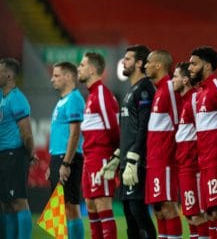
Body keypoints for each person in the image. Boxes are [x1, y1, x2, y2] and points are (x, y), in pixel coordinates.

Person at [99, 44, 157, 238]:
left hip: (136, 162)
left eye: (128, 59)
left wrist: (133, 157)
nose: (124, 62)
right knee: (129, 214)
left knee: (137, 211)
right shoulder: (131, 90)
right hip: (126, 161)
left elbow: (144, 126)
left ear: (140, 63)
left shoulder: (145, 89)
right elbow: (129, 129)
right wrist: (118, 155)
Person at [188, 46, 217, 238]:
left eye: (193, 63)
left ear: (206, 66)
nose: (189, 68)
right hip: (204, 162)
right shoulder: (200, 93)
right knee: (209, 213)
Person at [77, 52, 120, 239]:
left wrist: (115, 155)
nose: (79, 68)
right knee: (92, 206)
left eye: (82, 64)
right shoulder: (92, 95)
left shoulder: (101, 93)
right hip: (90, 157)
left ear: (92, 69)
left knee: (102, 204)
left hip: (100, 157)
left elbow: (113, 128)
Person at [144, 50, 182, 238]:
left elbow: (178, 123)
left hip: (165, 160)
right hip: (154, 160)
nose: (145, 66)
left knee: (168, 205)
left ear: (158, 65)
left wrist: (175, 155)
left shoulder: (169, 89)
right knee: (158, 209)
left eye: (149, 62)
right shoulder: (159, 90)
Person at [48, 62, 85, 239]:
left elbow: (75, 133)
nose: (52, 79)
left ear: (69, 77)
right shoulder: (63, 100)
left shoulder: (74, 99)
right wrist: (52, 162)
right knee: (61, 207)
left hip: (68, 158)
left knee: (71, 206)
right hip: (59, 157)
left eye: (56, 76)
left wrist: (66, 163)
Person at [172, 62, 209, 239]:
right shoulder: (185, 101)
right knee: (190, 215)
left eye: (176, 76)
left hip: (194, 166)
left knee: (198, 215)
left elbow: (201, 131)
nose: (172, 80)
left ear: (186, 79)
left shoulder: (194, 99)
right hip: (184, 165)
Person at [0, 57, 34, 239]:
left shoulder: (18, 99)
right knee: (5, 203)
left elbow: (27, 133)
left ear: (9, 75)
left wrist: (30, 154)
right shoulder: (1, 96)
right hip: (2, 155)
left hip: (14, 154)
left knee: (18, 201)